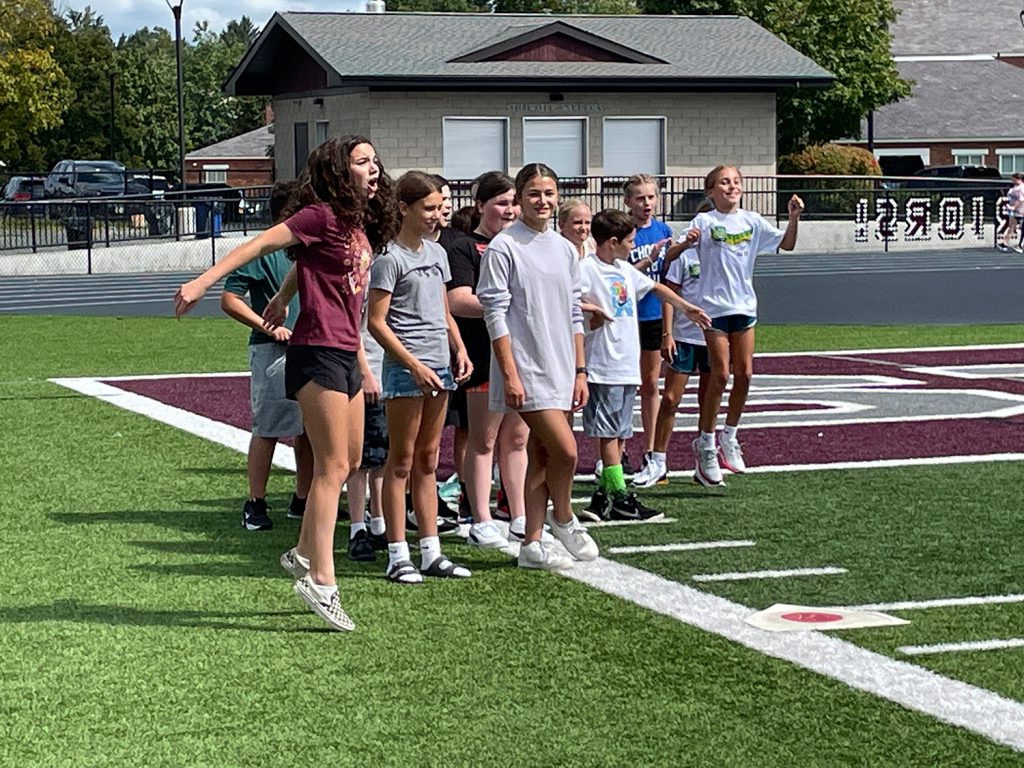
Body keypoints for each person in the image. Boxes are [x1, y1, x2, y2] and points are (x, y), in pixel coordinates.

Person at [174, 135, 399, 631]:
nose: (374, 167)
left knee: (354, 459)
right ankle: (322, 580)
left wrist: (283, 294)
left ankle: (302, 553)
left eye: (374, 160)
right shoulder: (318, 215)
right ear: (340, 170)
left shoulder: (358, 223)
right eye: (362, 161)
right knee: (332, 465)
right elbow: (261, 244)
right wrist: (201, 284)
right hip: (315, 350)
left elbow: (309, 263)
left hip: (345, 351)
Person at [477, 163, 599, 570]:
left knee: (543, 453)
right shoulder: (504, 248)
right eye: (533, 193)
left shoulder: (565, 248)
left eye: (549, 193)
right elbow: (495, 314)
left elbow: (573, 312)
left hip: (561, 364)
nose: (542, 201)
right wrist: (509, 373)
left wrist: (580, 370)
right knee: (567, 452)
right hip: (525, 367)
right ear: (519, 197)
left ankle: (531, 543)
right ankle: (563, 517)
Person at [368, 171, 473, 584]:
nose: (437, 215)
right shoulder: (389, 258)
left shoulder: (438, 253)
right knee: (401, 461)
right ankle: (398, 554)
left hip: (439, 368)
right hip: (406, 370)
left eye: (439, 207)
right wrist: (411, 363)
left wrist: (459, 348)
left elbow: (443, 311)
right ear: (403, 208)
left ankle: (431, 550)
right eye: (428, 208)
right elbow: (376, 322)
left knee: (428, 461)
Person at [578, 209, 710, 521]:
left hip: (625, 363)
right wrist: (591, 309)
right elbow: (565, 298)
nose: (632, 245)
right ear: (612, 242)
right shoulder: (586, 269)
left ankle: (604, 498)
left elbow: (655, 288)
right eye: (628, 241)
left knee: (621, 431)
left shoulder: (623, 269)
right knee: (609, 433)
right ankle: (619, 495)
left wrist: (686, 307)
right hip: (602, 363)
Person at [686, 164, 803, 486]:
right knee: (720, 373)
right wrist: (686, 243)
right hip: (713, 308)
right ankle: (706, 442)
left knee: (746, 373)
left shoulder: (752, 221)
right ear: (711, 190)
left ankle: (730, 435)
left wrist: (793, 218)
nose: (731, 187)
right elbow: (675, 252)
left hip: (744, 306)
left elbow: (787, 245)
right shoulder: (705, 221)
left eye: (736, 182)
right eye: (724, 182)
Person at [220, 180, 313, 531]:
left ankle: (302, 498)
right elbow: (229, 299)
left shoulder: (310, 248)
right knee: (270, 427)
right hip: (274, 351)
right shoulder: (264, 251)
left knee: (309, 431)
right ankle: (255, 502)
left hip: (313, 348)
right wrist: (267, 326)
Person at [445, 171, 531, 549]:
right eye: (501, 203)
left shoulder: (525, 246)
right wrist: (505, 308)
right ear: (481, 205)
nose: (510, 210)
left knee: (517, 439)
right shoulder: (465, 248)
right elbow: (458, 300)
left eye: (514, 202)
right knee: (483, 439)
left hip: (522, 354)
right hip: (483, 353)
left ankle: (518, 514)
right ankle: (479, 518)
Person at [631, 236, 710, 489]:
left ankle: (706, 454)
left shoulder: (728, 255)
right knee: (670, 398)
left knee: (709, 400)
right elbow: (669, 294)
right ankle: (658, 459)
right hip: (687, 335)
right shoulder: (684, 256)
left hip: (714, 335)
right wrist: (668, 334)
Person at [623, 174, 674, 477]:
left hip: (654, 315)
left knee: (651, 384)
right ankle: (619, 449)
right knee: (626, 385)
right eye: (640, 198)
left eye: (651, 197)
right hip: (628, 317)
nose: (647, 204)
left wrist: (669, 330)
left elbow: (667, 278)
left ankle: (652, 451)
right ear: (628, 201)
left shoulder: (663, 230)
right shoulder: (621, 230)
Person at [345, 303, 389, 561]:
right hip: (371, 372)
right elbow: (354, 328)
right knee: (361, 458)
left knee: (384, 456)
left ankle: (379, 523)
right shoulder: (367, 274)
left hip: (393, 374)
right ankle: (357, 528)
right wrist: (365, 372)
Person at [998, 173, 1024, 253]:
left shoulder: (1021, 188)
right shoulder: (1015, 187)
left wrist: (1013, 207)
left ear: (1018, 179)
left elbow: (1021, 200)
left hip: (1020, 210)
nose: (1012, 181)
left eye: (1013, 179)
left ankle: (1019, 245)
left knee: (1018, 227)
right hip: (1014, 211)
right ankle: (1005, 243)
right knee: (1011, 227)